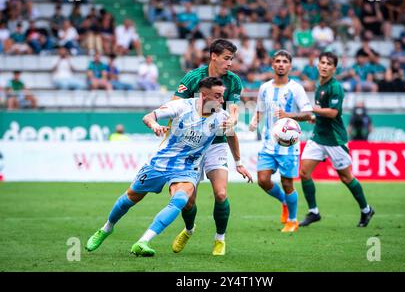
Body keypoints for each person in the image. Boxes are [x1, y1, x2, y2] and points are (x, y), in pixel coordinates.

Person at [85, 77, 252, 256]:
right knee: (131, 197)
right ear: (203, 95)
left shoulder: (221, 116)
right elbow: (149, 117)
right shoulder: (182, 106)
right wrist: (155, 125)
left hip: (188, 168)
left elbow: (231, 136)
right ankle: (106, 228)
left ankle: (143, 241)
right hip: (161, 162)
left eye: (223, 96)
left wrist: (238, 163)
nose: (221, 101)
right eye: (217, 96)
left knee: (181, 199)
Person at [170, 39, 246, 256]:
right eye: (226, 58)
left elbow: (233, 111)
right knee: (188, 201)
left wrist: (232, 120)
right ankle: (189, 229)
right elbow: (175, 103)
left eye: (232, 59)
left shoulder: (234, 82)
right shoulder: (194, 78)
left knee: (221, 194)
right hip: (192, 145)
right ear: (214, 56)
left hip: (217, 144)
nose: (230, 63)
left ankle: (220, 239)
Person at [299, 52, 375, 228]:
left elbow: (333, 113)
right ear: (318, 65)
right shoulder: (320, 86)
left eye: (329, 64)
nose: (324, 66)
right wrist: (315, 117)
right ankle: (314, 212)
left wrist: (313, 110)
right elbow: (323, 113)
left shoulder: (335, 87)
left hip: (335, 140)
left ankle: (366, 210)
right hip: (319, 137)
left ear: (334, 68)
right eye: (322, 62)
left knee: (346, 177)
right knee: (304, 173)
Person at [249, 50, 313, 232]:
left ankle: (292, 220)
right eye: (277, 61)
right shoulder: (265, 88)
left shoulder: (296, 88)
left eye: (285, 61)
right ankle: (284, 202)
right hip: (268, 143)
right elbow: (260, 109)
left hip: (288, 145)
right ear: (272, 64)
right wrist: (254, 122)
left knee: (287, 184)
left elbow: (308, 113)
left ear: (290, 66)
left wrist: (288, 115)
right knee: (262, 180)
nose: (281, 64)